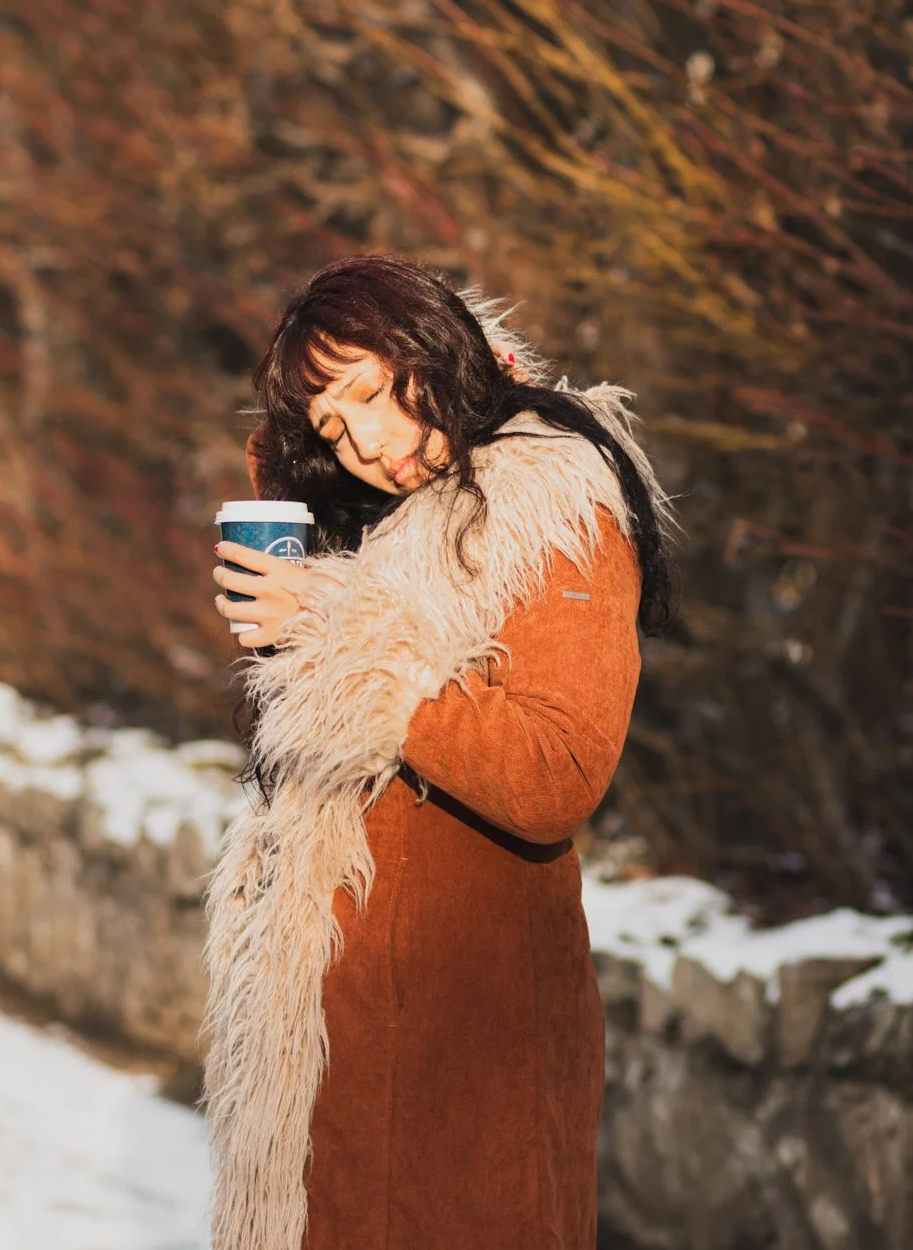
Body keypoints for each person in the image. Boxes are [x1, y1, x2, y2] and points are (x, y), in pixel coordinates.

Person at [206, 254, 675, 1250]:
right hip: (337, 1040)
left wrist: (336, 641)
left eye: (373, 391)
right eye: (332, 427)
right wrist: (293, 620)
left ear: (430, 343)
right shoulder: (376, 523)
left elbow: (555, 774)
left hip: (461, 1039)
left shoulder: (550, 502)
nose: (366, 441)